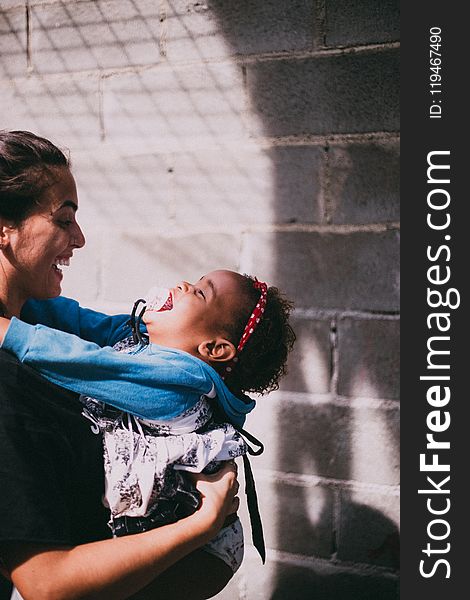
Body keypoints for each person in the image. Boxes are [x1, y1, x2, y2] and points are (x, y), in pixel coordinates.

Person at [0, 130, 240, 600]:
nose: (80, 238)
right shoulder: (10, 372)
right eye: (64, 219)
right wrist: (204, 523)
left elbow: (101, 334)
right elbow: (47, 583)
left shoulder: (38, 328)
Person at [0, 269, 295, 575]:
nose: (183, 285)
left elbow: (91, 365)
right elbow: (79, 322)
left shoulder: (179, 388)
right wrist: (22, 293)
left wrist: (9, 332)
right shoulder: (141, 340)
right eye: (194, 282)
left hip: (201, 553)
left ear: (213, 349)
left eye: (199, 293)